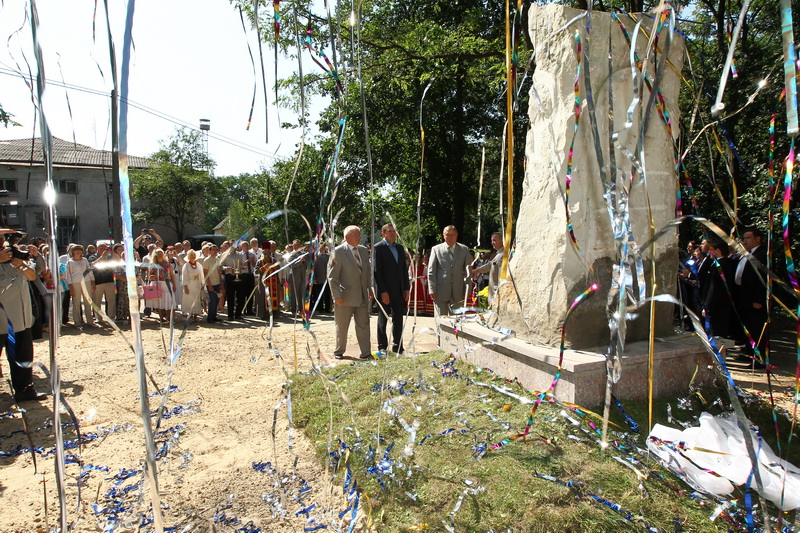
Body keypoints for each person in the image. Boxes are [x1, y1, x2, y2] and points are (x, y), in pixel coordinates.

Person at [0, 236, 46, 402]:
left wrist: (19, 264)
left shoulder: (15, 257)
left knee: (23, 355)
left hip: (20, 319)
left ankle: (25, 390)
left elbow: (32, 276)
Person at [328, 225, 371, 359]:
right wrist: (337, 296)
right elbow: (332, 277)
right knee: (342, 326)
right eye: (356, 235)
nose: (359, 237)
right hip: (344, 297)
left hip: (362, 295)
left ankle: (366, 353)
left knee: (364, 325)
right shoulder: (338, 252)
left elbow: (367, 272)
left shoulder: (363, 251)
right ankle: (339, 351)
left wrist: (370, 289)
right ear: (347, 237)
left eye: (359, 234)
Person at [373, 224, 410, 353]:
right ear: (383, 234)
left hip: (399, 290)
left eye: (394, 231)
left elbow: (404, 269)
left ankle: (398, 345)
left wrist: (406, 288)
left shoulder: (399, 248)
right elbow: (377, 271)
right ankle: (382, 346)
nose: (392, 233)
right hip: (385, 290)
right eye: (389, 231)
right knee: (383, 319)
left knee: (398, 319)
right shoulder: (378, 248)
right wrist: (383, 291)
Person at [733, 227, 768, 359]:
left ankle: (759, 358)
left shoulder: (761, 255)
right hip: (744, 296)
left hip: (754, 299)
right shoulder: (747, 254)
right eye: (744, 238)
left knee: (756, 328)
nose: (744, 240)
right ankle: (749, 353)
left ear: (757, 239)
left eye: (748, 238)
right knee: (748, 327)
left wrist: (758, 299)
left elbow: (763, 279)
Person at [427, 225, 471, 317]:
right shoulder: (436, 249)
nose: (450, 237)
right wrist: (432, 288)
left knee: (456, 319)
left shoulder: (464, 249)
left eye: (452, 235)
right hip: (440, 290)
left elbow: (468, 271)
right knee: (440, 318)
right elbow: (431, 270)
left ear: (456, 235)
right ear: (443, 236)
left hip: (458, 290)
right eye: (447, 235)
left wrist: (468, 289)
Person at [65, 245, 96, 328]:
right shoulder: (70, 262)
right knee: (76, 302)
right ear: (73, 252)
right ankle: (77, 322)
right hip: (75, 283)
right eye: (76, 250)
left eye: (80, 250)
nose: (78, 251)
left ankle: (90, 321)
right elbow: (68, 276)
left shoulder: (85, 260)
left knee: (88, 301)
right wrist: (71, 288)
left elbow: (89, 270)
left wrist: (93, 281)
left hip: (86, 282)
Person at [471, 232, 504, 305]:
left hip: (498, 292)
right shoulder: (499, 254)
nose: (492, 243)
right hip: (494, 292)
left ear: (502, 240)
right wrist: (476, 271)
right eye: (492, 240)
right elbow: (489, 265)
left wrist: (475, 271)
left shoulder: (504, 255)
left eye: (494, 240)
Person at [91, 243, 117, 322]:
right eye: (101, 247)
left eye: (105, 248)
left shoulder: (110, 257)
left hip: (110, 281)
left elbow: (119, 260)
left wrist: (112, 252)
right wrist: (102, 257)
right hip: (98, 282)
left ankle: (111, 317)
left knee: (111, 300)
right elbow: (92, 265)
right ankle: (98, 317)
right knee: (97, 301)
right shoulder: (93, 257)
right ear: (97, 248)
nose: (103, 249)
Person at [202, 244, 223, 323]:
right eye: (213, 249)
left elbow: (219, 272)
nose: (215, 251)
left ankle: (214, 316)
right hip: (211, 283)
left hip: (217, 283)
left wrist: (221, 282)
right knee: (212, 300)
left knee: (217, 300)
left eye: (216, 249)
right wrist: (209, 285)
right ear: (209, 251)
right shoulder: (207, 260)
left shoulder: (217, 260)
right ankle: (210, 317)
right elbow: (205, 274)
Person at [181, 249, 205, 320]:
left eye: (194, 254)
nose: (193, 256)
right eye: (191, 255)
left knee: (197, 299)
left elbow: (202, 275)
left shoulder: (199, 265)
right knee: (190, 299)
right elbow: (184, 277)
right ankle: (190, 314)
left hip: (197, 284)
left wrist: (202, 284)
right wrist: (185, 287)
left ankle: (195, 315)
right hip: (190, 285)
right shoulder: (186, 266)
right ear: (188, 256)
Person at [286, 239, 307, 315]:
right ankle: (294, 309)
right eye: (296, 244)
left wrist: (304, 261)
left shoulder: (303, 253)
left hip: (303, 276)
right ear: (293, 246)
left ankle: (301, 309)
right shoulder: (291, 254)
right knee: (294, 293)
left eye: (299, 244)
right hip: (295, 276)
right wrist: (300, 261)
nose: (298, 246)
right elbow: (291, 265)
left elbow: (307, 264)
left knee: (302, 293)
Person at [311, 243, 331, 313]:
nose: (322, 248)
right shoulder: (316, 256)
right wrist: (314, 278)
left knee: (327, 294)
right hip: (319, 278)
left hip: (327, 278)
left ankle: (327, 308)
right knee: (319, 294)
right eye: (321, 247)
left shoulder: (328, 256)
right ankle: (320, 308)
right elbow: (314, 268)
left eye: (323, 247)